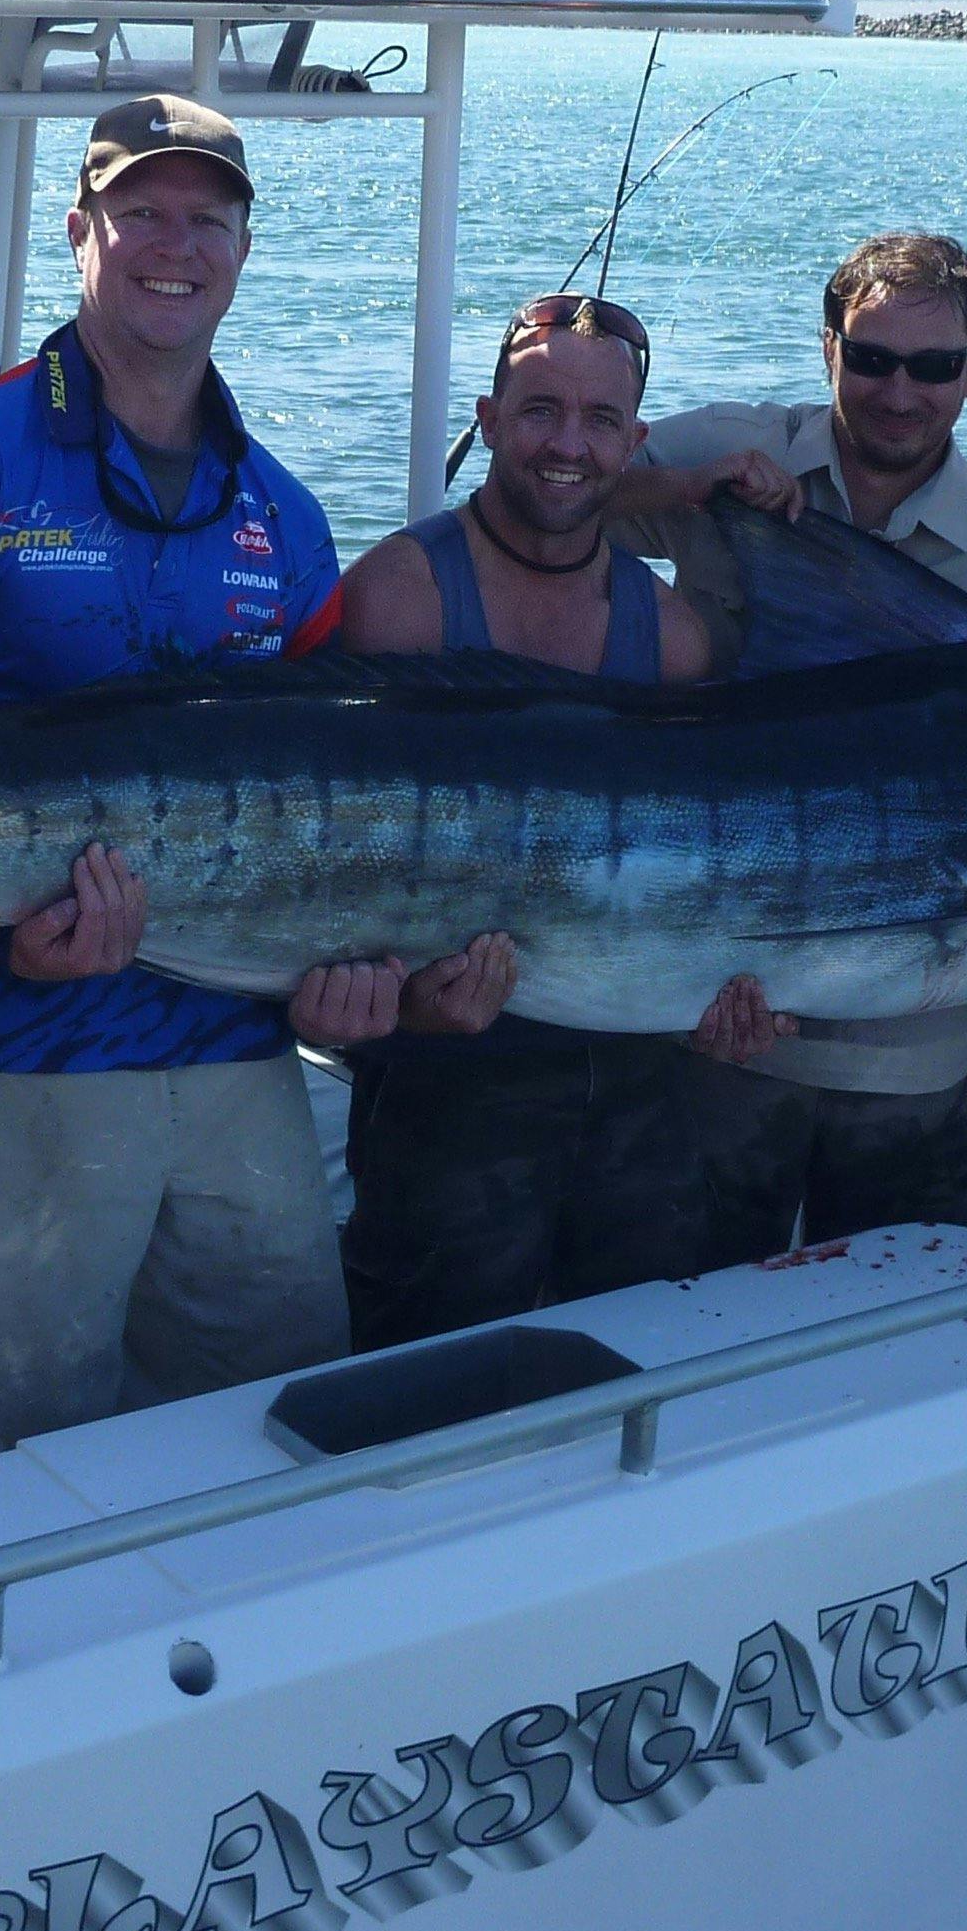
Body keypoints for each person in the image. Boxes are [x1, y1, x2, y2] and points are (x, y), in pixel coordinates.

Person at [0, 95, 383, 1473]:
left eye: (208, 219)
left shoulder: (288, 517)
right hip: (8, 1051)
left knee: (278, 1437)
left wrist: (361, 975)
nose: (174, 246)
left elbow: (336, 812)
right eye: (141, 212)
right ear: (80, 233)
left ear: (244, 250)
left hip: (235, 1052)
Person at [327, 292, 788, 1350]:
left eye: (599, 421)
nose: (567, 445)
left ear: (634, 441)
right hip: (445, 1081)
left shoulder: (670, 638)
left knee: (632, 1374)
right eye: (539, 411)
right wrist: (403, 1006)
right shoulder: (399, 595)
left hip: (637, 1083)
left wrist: (730, 1003)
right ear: (488, 421)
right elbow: (341, 857)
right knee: (430, 1385)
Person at [607, 230, 967, 1245]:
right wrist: (685, 493)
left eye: (933, 366)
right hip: (701, 1029)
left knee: (901, 1326)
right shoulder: (730, 450)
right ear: (828, 350)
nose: (899, 392)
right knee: (676, 1316)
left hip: (901, 1069)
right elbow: (545, 493)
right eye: (870, 358)